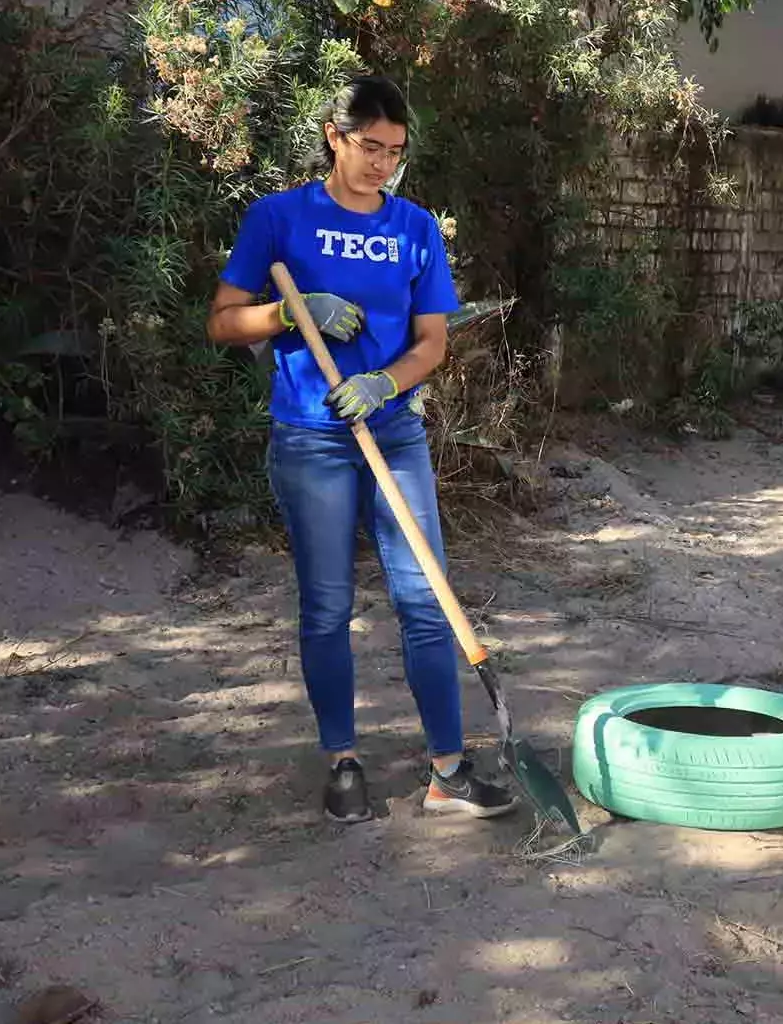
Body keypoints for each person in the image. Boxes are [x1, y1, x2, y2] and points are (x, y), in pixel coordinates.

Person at [204, 75, 516, 825]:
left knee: (426, 602)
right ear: (334, 136)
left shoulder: (413, 229)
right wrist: (287, 311)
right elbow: (221, 321)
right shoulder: (278, 218)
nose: (382, 164)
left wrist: (384, 381)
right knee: (326, 607)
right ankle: (342, 763)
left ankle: (447, 769)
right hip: (311, 438)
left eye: (395, 152)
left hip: (394, 432)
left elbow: (433, 340)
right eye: (369, 146)